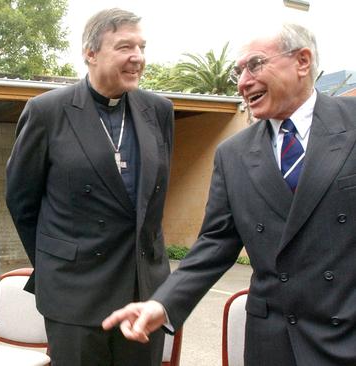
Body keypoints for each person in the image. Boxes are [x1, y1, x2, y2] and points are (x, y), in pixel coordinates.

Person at [102, 23, 356, 366]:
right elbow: (215, 243)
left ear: (302, 61)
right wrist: (162, 303)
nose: (242, 81)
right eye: (238, 71)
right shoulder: (233, 153)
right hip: (273, 342)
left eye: (254, 65)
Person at [6, 8, 174, 366]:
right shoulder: (47, 111)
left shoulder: (159, 110)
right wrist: (57, 261)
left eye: (142, 47)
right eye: (125, 46)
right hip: (74, 292)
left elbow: (153, 201)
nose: (138, 57)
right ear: (91, 52)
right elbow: (21, 201)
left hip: (142, 289)